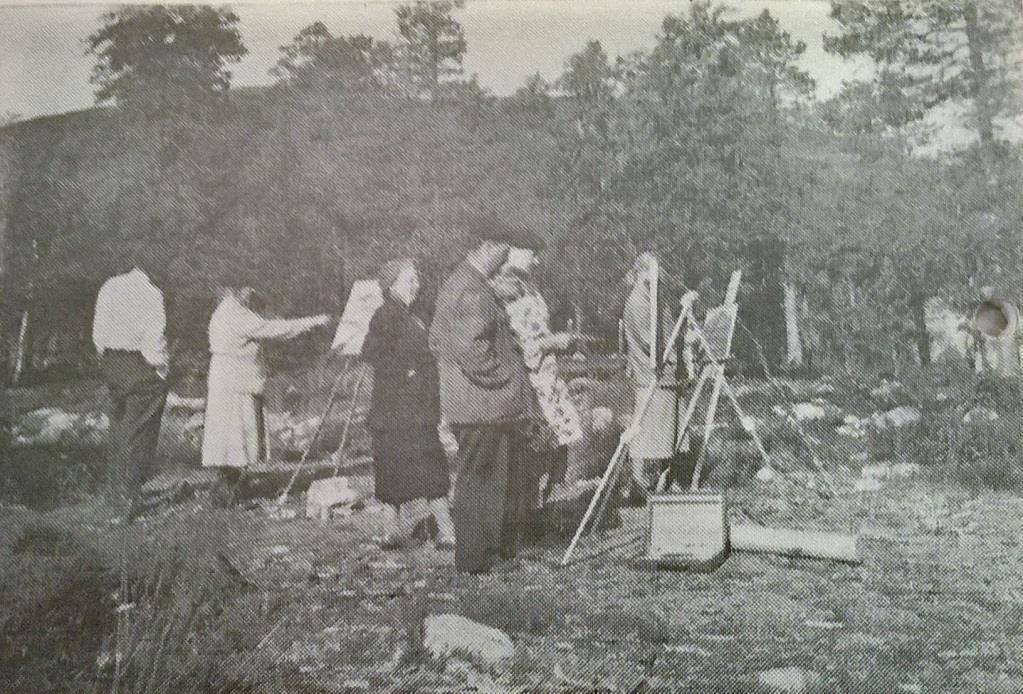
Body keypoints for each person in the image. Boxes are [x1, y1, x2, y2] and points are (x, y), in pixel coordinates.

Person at [428, 218, 533, 574]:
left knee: (480, 479)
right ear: (487, 245)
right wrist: (504, 376)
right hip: (482, 405)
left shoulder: (458, 283)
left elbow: (437, 339)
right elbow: (471, 348)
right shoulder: (472, 289)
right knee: (481, 483)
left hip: (472, 404)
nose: (504, 262)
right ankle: (477, 559)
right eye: (502, 253)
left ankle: (481, 555)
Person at [201, 284, 329, 505]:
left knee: (231, 439)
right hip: (234, 383)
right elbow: (273, 329)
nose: (250, 295)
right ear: (237, 290)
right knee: (235, 437)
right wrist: (312, 322)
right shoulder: (234, 314)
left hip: (229, 380)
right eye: (247, 291)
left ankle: (231, 487)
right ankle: (229, 493)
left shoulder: (227, 311)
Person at [361, 258, 456, 550]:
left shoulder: (418, 313)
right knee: (391, 466)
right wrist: (405, 371)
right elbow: (372, 353)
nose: (416, 284)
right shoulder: (386, 314)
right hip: (395, 408)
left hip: (419, 406)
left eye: (417, 279)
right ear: (392, 286)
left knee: (431, 464)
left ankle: (446, 532)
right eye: (409, 280)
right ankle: (392, 532)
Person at [491, 240, 584, 537]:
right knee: (534, 451)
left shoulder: (528, 287)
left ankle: (545, 508)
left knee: (560, 444)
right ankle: (527, 517)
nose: (537, 262)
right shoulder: (504, 292)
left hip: (548, 379)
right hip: (530, 384)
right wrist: (551, 342)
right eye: (532, 254)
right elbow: (514, 345)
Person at [92, 254, 170, 522]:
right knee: (140, 432)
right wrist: (161, 370)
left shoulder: (109, 286)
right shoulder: (152, 293)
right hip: (138, 363)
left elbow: (98, 334)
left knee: (118, 429)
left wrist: (108, 361)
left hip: (111, 362)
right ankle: (129, 500)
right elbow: (154, 341)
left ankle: (114, 496)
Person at [622, 252, 688, 501]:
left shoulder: (652, 300)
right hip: (650, 377)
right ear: (642, 273)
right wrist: (681, 324)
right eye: (653, 273)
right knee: (646, 435)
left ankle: (662, 483)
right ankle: (639, 487)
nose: (658, 278)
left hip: (663, 378)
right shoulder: (638, 303)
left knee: (664, 435)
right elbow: (653, 344)